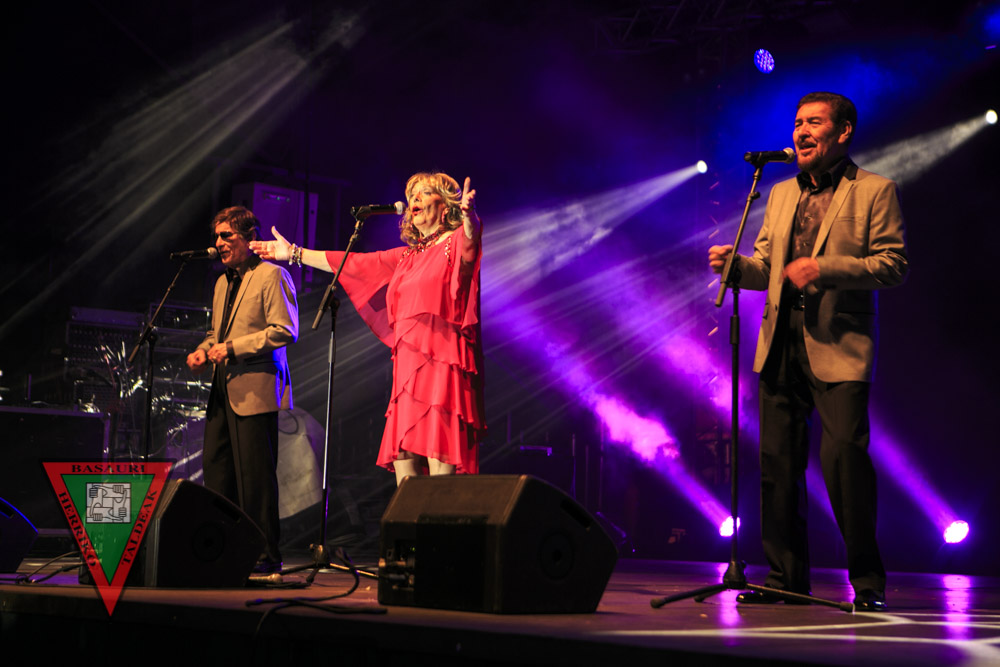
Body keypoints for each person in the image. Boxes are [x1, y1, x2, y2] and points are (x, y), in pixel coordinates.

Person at [709, 92, 907, 611]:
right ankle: (786, 580)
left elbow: (892, 264)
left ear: (843, 132)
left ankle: (868, 583)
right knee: (777, 465)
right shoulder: (779, 192)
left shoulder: (875, 190)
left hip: (840, 344)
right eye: (797, 122)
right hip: (780, 340)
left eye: (814, 122)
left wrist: (825, 268)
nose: (801, 131)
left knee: (844, 462)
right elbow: (766, 267)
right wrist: (735, 266)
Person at [251, 172, 485, 486]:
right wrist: (294, 253)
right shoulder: (406, 257)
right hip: (406, 372)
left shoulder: (453, 244)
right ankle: (408, 519)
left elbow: (470, 240)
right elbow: (352, 263)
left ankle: (439, 518)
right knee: (404, 463)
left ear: (445, 205)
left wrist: (469, 216)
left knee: (438, 456)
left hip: (441, 365)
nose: (414, 199)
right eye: (412, 194)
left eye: (425, 192)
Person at [186, 206, 298, 574]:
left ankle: (266, 556)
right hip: (222, 389)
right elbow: (216, 334)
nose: (219, 243)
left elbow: (285, 330)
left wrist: (232, 348)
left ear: (250, 238)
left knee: (255, 480)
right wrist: (203, 351)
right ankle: (224, 552)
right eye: (216, 236)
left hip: (256, 390)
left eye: (227, 236)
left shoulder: (272, 275)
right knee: (217, 474)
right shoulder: (222, 283)